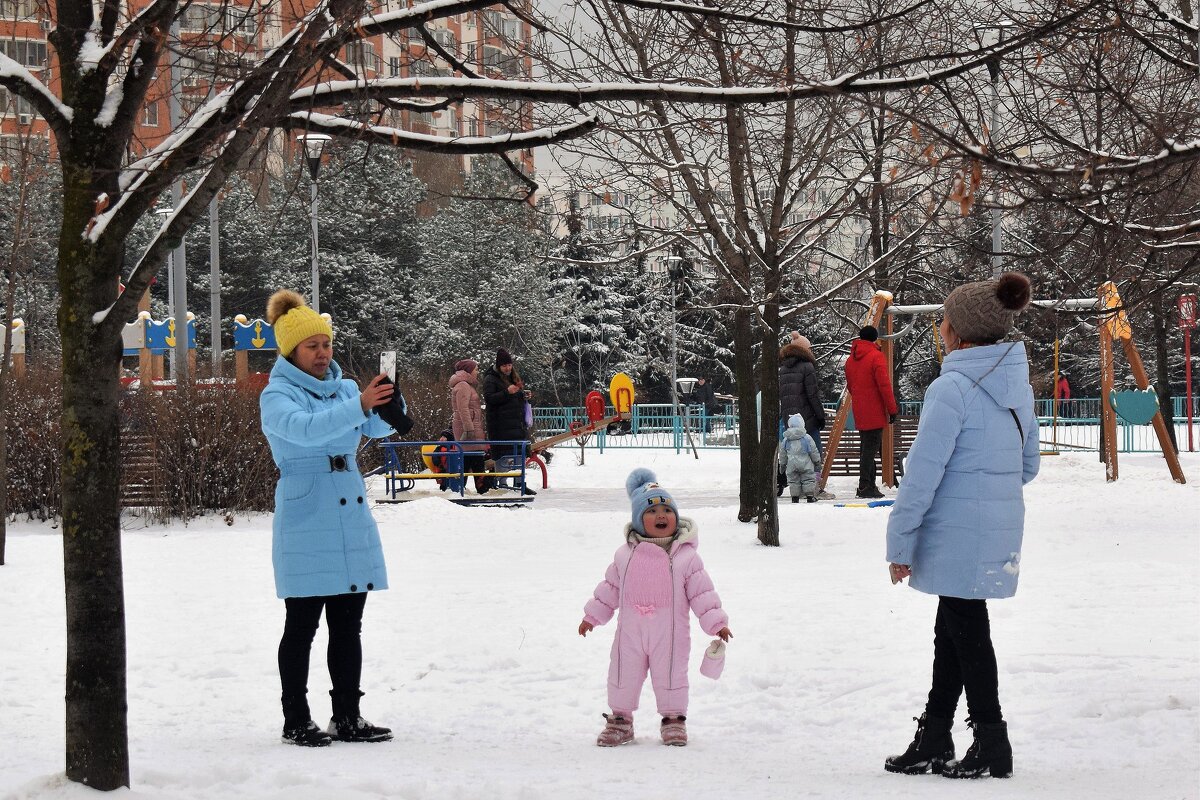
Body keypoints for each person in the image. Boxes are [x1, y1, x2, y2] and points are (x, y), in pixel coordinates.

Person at [884, 272, 1039, 780]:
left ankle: (993, 742)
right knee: (951, 630)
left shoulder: (950, 388)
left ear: (959, 331)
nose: (941, 326)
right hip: (996, 527)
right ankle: (934, 737)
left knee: (967, 633)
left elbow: (922, 477)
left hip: (955, 530)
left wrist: (900, 543)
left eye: (945, 319)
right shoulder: (1017, 383)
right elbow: (1027, 466)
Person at [259, 289, 397, 747]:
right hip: (305, 510)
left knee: (347, 624)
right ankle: (295, 718)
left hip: (348, 507)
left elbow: (373, 427)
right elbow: (305, 430)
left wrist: (386, 402)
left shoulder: (342, 389)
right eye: (312, 346)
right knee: (301, 625)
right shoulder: (277, 395)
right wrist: (358, 404)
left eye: (326, 344)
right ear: (291, 350)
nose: (322, 353)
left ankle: (348, 715)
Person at [578, 468, 733, 747]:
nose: (661, 515)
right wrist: (593, 616)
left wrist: (716, 622)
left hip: (670, 634)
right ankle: (620, 720)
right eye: (651, 511)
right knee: (623, 672)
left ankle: (674, 719)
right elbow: (610, 589)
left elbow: (703, 593)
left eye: (666, 509)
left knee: (672, 673)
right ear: (638, 520)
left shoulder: (685, 557)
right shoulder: (624, 555)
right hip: (630, 634)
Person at [843, 325, 898, 499]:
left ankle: (868, 484)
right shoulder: (876, 357)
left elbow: (851, 386)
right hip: (875, 410)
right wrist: (892, 409)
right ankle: (865, 485)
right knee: (869, 449)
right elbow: (884, 386)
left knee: (866, 447)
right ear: (875, 339)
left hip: (860, 409)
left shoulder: (850, 360)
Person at [482, 347, 536, 495]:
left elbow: (515, 397)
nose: (507, 368)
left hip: (516, 424)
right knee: (502, 454)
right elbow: (489, 398)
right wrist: (507, 392)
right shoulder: (490, 379)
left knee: (519, 453)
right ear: (499, 366)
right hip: (500, 425)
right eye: (505, 366)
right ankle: (502, 484)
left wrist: (524, 396)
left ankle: (520, 483)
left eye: (509, 365)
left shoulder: (514, 377)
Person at [449, 358, 489, 493]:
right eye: (475, 369)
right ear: (468, 371)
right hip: (468, 427)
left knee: (471, 458)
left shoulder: (465, 385)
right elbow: (463, 408)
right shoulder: (463, 385)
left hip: (471, 426)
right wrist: (469, 427)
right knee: (473, 458)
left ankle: (463, 489)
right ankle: (480, 489)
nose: (477, 372)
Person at [777, 413, 823, 503]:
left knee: (793, 481)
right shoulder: (807, 438)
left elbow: (783, 453)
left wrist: (782, 464)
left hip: (791, 464)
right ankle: (810, 496)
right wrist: (817, 462)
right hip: (805, 463)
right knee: (808, 479)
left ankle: (795, 497)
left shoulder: (786, 439)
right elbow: (813, 451)